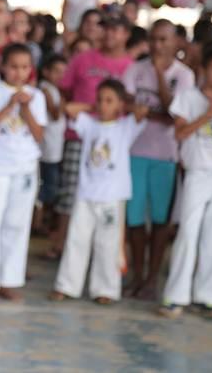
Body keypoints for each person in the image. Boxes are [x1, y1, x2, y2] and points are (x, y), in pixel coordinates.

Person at [50, 80, 148, 304]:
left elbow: (143, 111)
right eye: (100, 99)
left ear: (120, 105)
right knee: (77, 240)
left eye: (109, 101)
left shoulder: (126, 126)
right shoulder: (89, 124)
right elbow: (69, 109)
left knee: (108, 244)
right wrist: (92, 108)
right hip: (86, 194)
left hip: (112, 196)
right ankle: (67, 286)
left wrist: (124, 108)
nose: (103, 105)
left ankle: (105, 289)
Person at [159, 48, 212, 319]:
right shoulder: (188, 97)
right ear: (205, 70)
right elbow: (180, 134)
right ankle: (176, 296)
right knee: (188, 233)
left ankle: (208, 297)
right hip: (196, 173)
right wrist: (208, 114)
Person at [47, 16, 133, 259]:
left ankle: (104, 257)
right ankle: (62, 246)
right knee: (71, 194)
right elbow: (65, 89)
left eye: (116, 29)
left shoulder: (130, 64)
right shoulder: (82, 59)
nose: (109, 35)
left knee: (107, 200)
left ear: (126, 34)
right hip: (80, 133)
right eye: (105, 29)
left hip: (114, 137)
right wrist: (87, 110)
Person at [122, 19, 195, 300]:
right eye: (154, 39)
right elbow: (127, 104)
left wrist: (158, 74)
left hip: (166, 155)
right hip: (135, 152)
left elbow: (174, 114)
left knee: (162, 222)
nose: (157, 45)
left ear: (176, 42)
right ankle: (137, 276)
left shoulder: (184, 75)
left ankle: (153, 278)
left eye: (164, 39)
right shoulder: (134, 68)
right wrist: (156, 115)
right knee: (136, 220)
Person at [0, 43, 47, 301]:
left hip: (25, 166)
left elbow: (39, 135)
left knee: (17, 223)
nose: (19, 72)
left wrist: (25, 108)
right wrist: (9, 105)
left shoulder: (37, 96)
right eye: (14, 67)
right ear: (3, 67)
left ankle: (9, 278)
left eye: (24, 67)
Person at [35, 54, 68, 234]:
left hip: (54, 146)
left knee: (48, 185)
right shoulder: (46, 89)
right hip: (48, 148)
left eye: (63, 72)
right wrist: (63, 102)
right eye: (56, 71)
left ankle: (39, 220)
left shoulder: (52, 89)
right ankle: (37, 221)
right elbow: (55, 114)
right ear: (46, 71)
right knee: (48, 186)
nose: (60, 75)